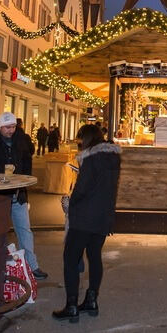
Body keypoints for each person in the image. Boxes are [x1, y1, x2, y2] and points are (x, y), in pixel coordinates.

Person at [52, 124, 122, 322]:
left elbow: (81, 189)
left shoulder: (91, 159)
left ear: (87, 138)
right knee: (95, 256)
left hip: (84, 218)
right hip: (103, 217)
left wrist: (69, 202)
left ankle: (72, 305)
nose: (79, 143)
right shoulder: (113, 157)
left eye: (80, 139)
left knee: (71, 259)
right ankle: (91, 299)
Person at [0, 111, 48, 279]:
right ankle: (0, 265)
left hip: (19, 193)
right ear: (0, 127)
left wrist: (26, 180)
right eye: (7, 127)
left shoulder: (21, 139)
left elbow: (27, 159)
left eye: (13, 127)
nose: (11, 130)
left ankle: (32, 266)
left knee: (24, 230)